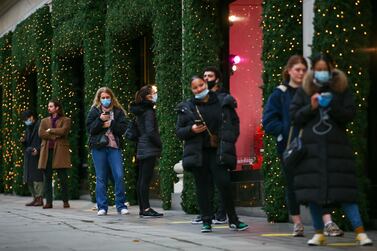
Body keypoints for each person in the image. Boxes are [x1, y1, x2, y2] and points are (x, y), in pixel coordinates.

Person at [290, 53, 373, 246]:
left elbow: (349, 113)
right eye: (317, 69)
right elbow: (295, 116)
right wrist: (311, 107)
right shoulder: (305, 90)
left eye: (324, 69)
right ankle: (319, 233)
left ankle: (360, 232)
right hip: (311, 152)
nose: (321, 73)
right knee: (314, 195)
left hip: (337, 150)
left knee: (345, 192)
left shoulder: (341, 88)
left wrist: (332, 104)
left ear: (331, 68)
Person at [263, 55, 343, 237]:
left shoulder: (312, 91)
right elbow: (268, 120)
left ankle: (328, 222)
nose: (300, 73)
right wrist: (284, 131)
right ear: (289, 70)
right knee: (292, 185)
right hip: (290, 147)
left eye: (303, 70)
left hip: (313, 145)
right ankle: (297, 223)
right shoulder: (280, 93)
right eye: (297, 69)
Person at [176, 76, 248, 233]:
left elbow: (234, 123)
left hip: (218, 151)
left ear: (206, 84)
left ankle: (234, 220)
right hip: (198, 153)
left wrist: (230, 138)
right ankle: (206, 221)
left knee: (224, 184)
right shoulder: (187, 107)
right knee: (203, 188)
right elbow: (179, 132)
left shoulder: (222, 102)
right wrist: (191, 130)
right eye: (195, 87)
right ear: (191, 90)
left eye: (201, 85)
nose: (199, 89)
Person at [191, 66, 227, 225]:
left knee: (221, 181)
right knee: (206, 182)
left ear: (217, 79)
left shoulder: (223, 97)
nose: (206, 79)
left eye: (210, 76)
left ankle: (222, 213)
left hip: (219, 145)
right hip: (203, 145)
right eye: (204, 76)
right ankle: (207, 213)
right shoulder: (199, 99)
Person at [87, 87, 129, 216]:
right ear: (99, 99)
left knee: (119, 175)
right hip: (98, 148)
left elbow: (123, 128)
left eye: (107, 97)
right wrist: (100, 120)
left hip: (114, 147)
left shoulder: (118, 111)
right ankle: (102, 207)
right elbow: (90, 129)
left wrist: (111, 123)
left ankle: (120, 205)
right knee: (101, 177)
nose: (105, 100)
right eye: (103, 98)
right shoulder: (94, 111)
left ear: (112, 97)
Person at [130, 85, 163, 218]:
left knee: (142, 179)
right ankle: (146, 208)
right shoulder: (148, 111)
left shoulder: (140, 110)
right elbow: (150, 131)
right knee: (145, 179)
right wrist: (160, 144)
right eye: (153, 93)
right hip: (149, 147)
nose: (155, 95)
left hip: (142, 146)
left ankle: (143, 208)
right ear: (147, 96)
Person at [38, 100, 71, 209]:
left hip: (60, 151)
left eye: (51, 106)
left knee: (63, 178)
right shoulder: (44, 121)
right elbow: (41, 133)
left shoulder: (66, 120)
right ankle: (48, 202)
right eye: (48, 106)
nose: (49, 108)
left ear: (57, 108)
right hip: (47, 152)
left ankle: (66, 201)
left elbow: (63, 131)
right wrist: (54, 136)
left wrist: (50, 130)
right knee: (47, 177)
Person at [21, 110, 44, 207]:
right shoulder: (28, 128)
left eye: (27, 119)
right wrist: (23, 141)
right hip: (29, 154)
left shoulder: (39, 125)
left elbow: (43, 140)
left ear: (32, 117)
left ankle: (39, 198)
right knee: (29, 178)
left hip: (36, 154)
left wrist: (38, 150)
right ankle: (35, 198)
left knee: (37, 178)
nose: (26, 121)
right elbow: (27, 142)